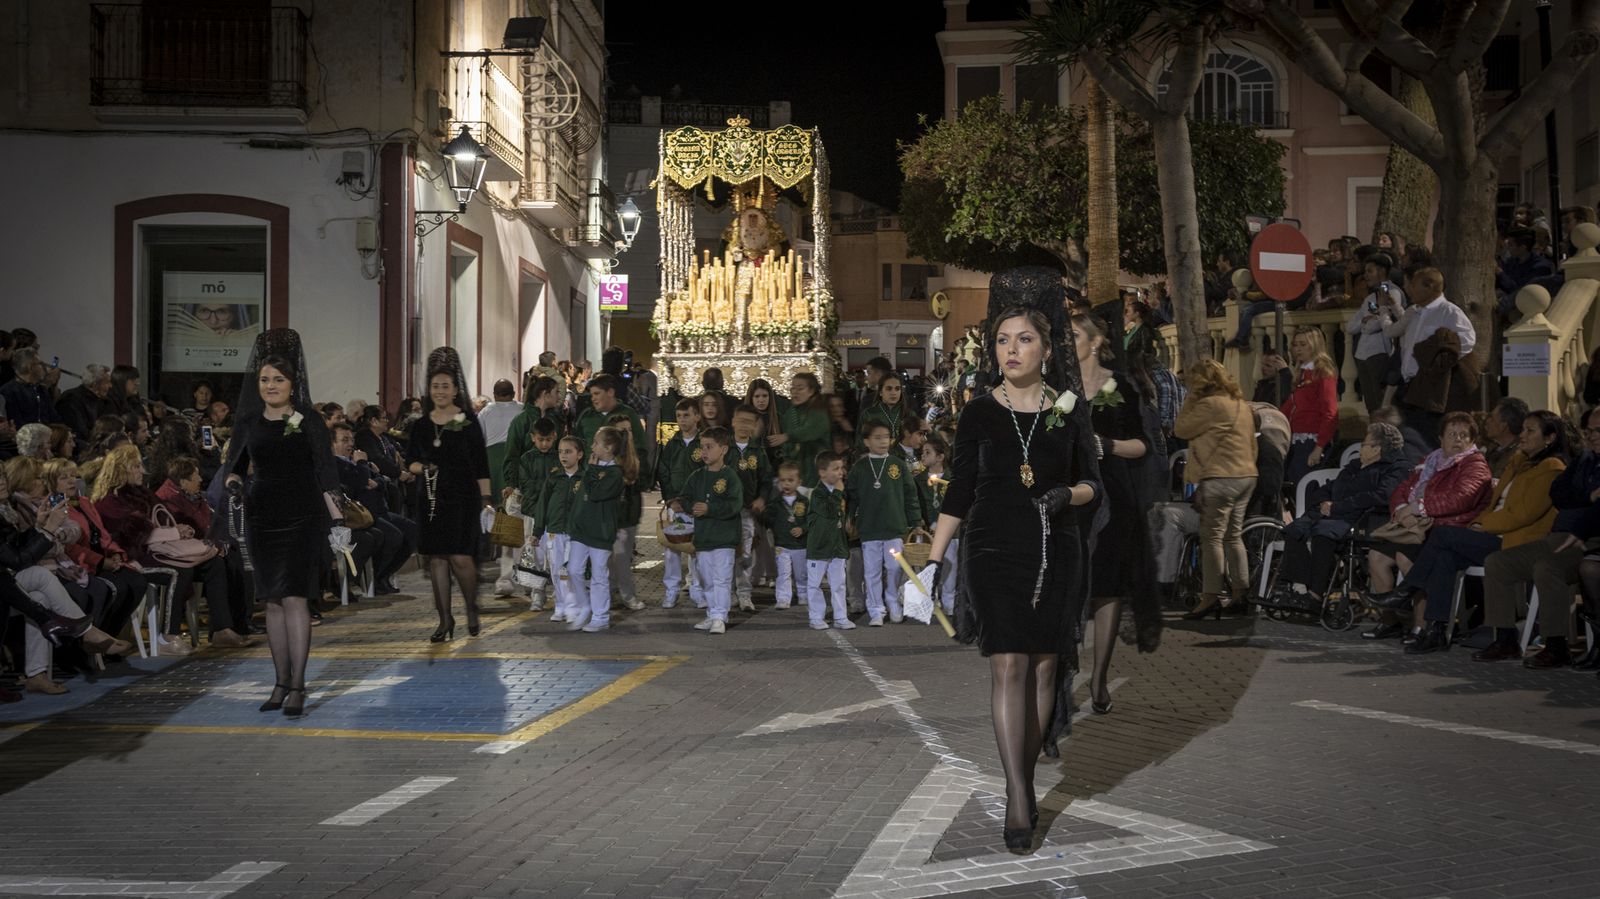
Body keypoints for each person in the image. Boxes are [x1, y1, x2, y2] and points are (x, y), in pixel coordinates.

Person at [924, 267, 1101, 851]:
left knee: (1045, 666)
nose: (1011, 350)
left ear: (1048, 350)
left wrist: (1066, 495)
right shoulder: (978, 411)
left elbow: (1092, 486)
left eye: (1024, 339)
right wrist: (933, 558)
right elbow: (959, 490)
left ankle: (1023, 774)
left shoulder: (1069, 408)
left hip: (1056, 549)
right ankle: (1019, 792)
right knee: (1008, 664)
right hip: (995, 547)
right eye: (1002, 340)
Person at [221, 330, 344, 717]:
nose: (270, 386)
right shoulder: (248, 420)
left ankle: (297, 686)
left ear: (293, 384)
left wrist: (338, 522)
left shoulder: (308, 420)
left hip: (303, 515)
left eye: (278, 379)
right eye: (264, 379)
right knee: (271, 599)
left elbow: (326, 472)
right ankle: (278, 682)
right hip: (264, 514)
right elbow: (234, 467)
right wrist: (234, 482)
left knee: (294, 597)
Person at [1377, 410, 1569, 654]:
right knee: (1444, 557)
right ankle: (1436, 630)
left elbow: (1523, 514)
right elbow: (1493, 505)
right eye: (1523, 429)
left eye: (1530, 431)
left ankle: (1407, 591)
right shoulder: (1518, 462)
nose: (1522, 435)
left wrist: (1482, 525)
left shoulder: (1551, 468)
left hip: (1517, 540)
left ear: (1549, 438)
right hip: (1491, 534)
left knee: (1442, 535)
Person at [1475, 406, 1600, 668]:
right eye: (1588, 430)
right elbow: (1560, 494)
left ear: (1550, 438)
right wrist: (1588, 496)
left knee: (1547, 568)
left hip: (1587, 541)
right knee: (1498, 563)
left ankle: (1556, 645)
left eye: (1597, 431)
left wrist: (1581, 506)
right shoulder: (1585, 460)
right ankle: (1506, 639)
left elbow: (1529, 510)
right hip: (1561, 536)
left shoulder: (1552, 464)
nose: (1591, 436)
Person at [1361, 412, 1492, 640]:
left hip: (1448, 528)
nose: (1458, 440)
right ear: (1440, 438)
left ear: (1472, 441)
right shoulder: (1431, 461)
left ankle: (1419, 627)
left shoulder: (1474, 465)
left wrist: (1418, 508)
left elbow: (1459, 499)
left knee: (1406, 557)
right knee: (1376, 557)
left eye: (1464, 435)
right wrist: (1402, 509)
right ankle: (1389, 621)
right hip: (1417, 526)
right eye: (1452, 434)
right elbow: (1402, 489)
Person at [405, 348, 493, 642]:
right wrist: (422, 468)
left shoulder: (468, 422)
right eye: (435, 386)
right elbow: (409, 462)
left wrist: (486, 501)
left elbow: (481, 464)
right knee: (437, 560)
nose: (440, 391)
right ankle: (444, 619)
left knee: (461, 558)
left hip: (463, 499)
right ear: (428, 390)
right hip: (430, 499)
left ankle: (470, 607)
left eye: (446, 385)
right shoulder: (419, 424)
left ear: (456, 389)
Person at [1271, 423, 1410, 604]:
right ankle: (1300, 585)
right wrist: (1322, 502)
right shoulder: (1356, 465)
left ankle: (1315, 594)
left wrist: (1337, 506)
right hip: (1333, 510)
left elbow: (1380, 496)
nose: (1361, 448)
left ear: (1377, 449)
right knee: (1293, 530)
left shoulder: (1396, 468)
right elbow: (1332, 486)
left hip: (1359, 516)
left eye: (1364, 445)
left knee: (1323, 532)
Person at [1174, 360, 1259, 618]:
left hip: (1220, 477)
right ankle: (1240, 593)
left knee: (1211, 537)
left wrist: (1190, 399)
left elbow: (1181, 428)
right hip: (1246, 475)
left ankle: (1210, 597)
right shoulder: (1240, 405)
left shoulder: (1209, 405)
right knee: (1233, 536)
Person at [1383, 267, 1476, 444]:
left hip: (1429, 388)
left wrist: (1439, 364)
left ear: (1430, 287)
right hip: (1408, 386)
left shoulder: (1449, 312)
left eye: (1414, 285)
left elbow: (1467, 340)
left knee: (1425, 438)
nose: (1409, 289)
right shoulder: (1415, 312)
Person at [848, 421, 925, 626]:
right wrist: (849, 518)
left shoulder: (897, 465)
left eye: (886, 437)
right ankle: (876, 610)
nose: (883, 441)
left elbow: (910, 495)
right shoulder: (860, 467)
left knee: (894, 568)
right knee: (871, 571)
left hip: (894, 526)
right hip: (869, 528)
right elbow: (851, 496)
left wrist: (915, 521)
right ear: (866, 441)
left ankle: (892, 601)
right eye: (877, 437)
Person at [669, 426, 741, 635]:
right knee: (707, 578)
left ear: (724, 450)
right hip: (704, 537)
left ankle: (720, 616)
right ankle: (712, 613)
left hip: (724, 537)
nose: (704, 452)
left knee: (721, 578)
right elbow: (686, 497)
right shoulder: (696, 476)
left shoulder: (730, 477)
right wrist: (681, 504)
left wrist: (711, 509)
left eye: (709, 447)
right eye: (702, 447)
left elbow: (735, 505)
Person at [565, 424, 634, 632]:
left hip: (601, 532)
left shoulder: (615, 474)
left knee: (599, 574)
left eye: (596, 443)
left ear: (609, 447)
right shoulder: (591, 469)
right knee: (573, 570)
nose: (592, 447)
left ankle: (601, 617)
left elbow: (595, 494)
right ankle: (585, 606)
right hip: (582, 530)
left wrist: (592, 470)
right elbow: (582, 497)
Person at [656, 398, 705, 610]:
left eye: (687, 415)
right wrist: (671, 500)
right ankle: (672, 591)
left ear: (697, 417)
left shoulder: (704, 443)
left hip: (696, 507)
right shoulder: (672, 444)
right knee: (672, 550)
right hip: (676, 507)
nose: (682, 420)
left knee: (697, 550)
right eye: (679, 416)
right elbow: (664, 474)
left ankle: (697, 590)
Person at [510, 417, 561, 610]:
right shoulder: (527, 459)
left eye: (548, 440)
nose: (545, 444)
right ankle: (537, 594)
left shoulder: (559, 457)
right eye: (541, 439)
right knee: (535, 554)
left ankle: (559, 593)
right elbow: (527, 486)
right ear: (533, 438)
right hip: (533, 513)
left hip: (555, 514)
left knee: (556, 554)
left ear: (554, 437)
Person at [1344, 254, 1402, 413]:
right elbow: (1351, 326)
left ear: (1382, 271)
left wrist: (1367, 322)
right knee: (1370, 402)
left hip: (1379, 352)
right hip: (1362, 354)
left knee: (1381, 401)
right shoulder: (1370, 297)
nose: (1366, 275)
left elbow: (1375, 325)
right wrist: (1366, 321)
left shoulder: (1393, 293)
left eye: (1370, 271)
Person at [602, 411, 645, 613]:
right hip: (607, 516)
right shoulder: (603, 457)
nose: (627, 435)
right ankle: (610, 594)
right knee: (608, 559)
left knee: (622, 558)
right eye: (622, 431)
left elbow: (640, 484)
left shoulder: (635, 457)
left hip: (627, 516)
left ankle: (627, 595)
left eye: (629, 430)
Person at [538, 436, 584, 624]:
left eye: (568, 451)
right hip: (555, 531)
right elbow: (542, 504)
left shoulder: (586, 478)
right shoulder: (554, 477)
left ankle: (575, 605)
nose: (563, 456)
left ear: (579, 454)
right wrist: (537, 531)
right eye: (560, 451)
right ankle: (560, 605)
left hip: (577, 534)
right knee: (557, 571)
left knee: (573, 571)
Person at [805, 451, 851, 630]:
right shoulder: (817, 493)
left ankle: (841, 617)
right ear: (822, 472)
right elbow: (829, 511)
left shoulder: (841, 492)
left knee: (839, 583)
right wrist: (839, 492)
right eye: (835, 469)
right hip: (819, 546)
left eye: (841, 468)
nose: (840, 472)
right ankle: (816, 617)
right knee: (815, 584)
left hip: (837, 545)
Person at [771, 373, 829, 487]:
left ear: (811, 391)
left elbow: (810, 431)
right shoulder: (790, 412)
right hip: (794, 468)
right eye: (793, 388)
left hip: (814, 465)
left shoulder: (819, 410)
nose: (795, 392)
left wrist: (787, 437)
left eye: (800, 388)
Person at [765, 460, 808, 611]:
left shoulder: (804, 501)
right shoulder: (775, 503)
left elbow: (810, 520)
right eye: (783, 480)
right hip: (782, 544)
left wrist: (803, 529)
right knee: (783, 573)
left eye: (790, 480)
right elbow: (767, 520)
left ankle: (803, 594)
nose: (786, 484)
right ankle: (783, 598)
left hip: (800, 545)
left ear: (799, 482)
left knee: (801, 572)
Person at [0, 348, 59, 425]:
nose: (45, 368)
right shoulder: (9, 391)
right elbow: (17, 424)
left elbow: (54, 418)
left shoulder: (41, 389)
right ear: (30, 367)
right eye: (40, 364)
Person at [57, 364, 112, 442]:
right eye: (107, 382)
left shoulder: (103, 401)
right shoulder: (71, 399)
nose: (110, 386)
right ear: (95, 384)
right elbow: (80, 432)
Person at [857, 371, 912, 447]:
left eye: (897, 389)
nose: (894, 393)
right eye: (889, 389)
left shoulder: (909, 414)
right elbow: (859, 443)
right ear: (880, 392)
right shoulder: (869, 414)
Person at [1480, 397, 1530, 479]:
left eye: (1492, 418)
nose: (1487, 421)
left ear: (1504, 424)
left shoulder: (1518, 456)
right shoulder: (1490, 451)